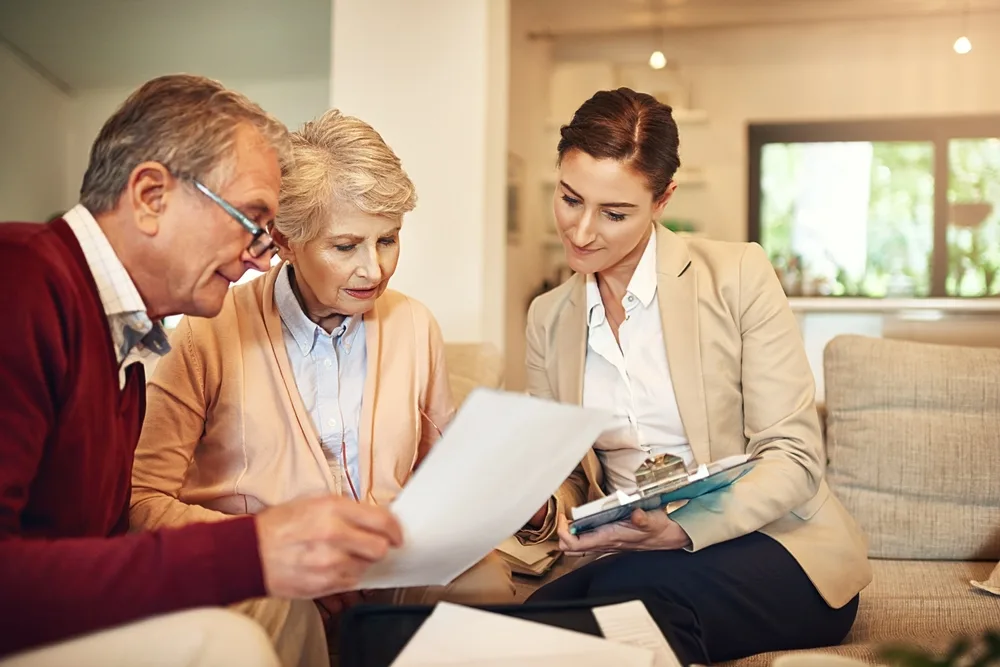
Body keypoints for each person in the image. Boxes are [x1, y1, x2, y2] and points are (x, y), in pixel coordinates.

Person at [0, 75, 402, 667]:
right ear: (151, 196)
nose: (261, 255)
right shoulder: (21, 281)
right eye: (250, 218)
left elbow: (97, 544)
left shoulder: (124, 340)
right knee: (227, 642)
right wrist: (253, 549)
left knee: (275, 604)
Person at [518, 88, 872, 666]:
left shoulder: (737, 276)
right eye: (569, 198)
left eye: (614, 213)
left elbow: (795, 456)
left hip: (775, 548)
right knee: (528, 625)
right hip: (632, 556)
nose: (581, 232)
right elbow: (568, 476)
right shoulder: (548, 317)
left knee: (628, 601)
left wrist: (679, 531)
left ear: (663, 200)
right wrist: (542, 508)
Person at [128, 108, 515, 633]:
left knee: (486, 587)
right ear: (286, 243)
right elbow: (142, 498)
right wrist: (272, 549)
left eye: (388, 239)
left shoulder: (415, 325)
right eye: (345, 246)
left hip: (391, 560)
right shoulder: (207, 331)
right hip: (269, 563)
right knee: (287, 620)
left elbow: (438, 472)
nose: (374, 269)